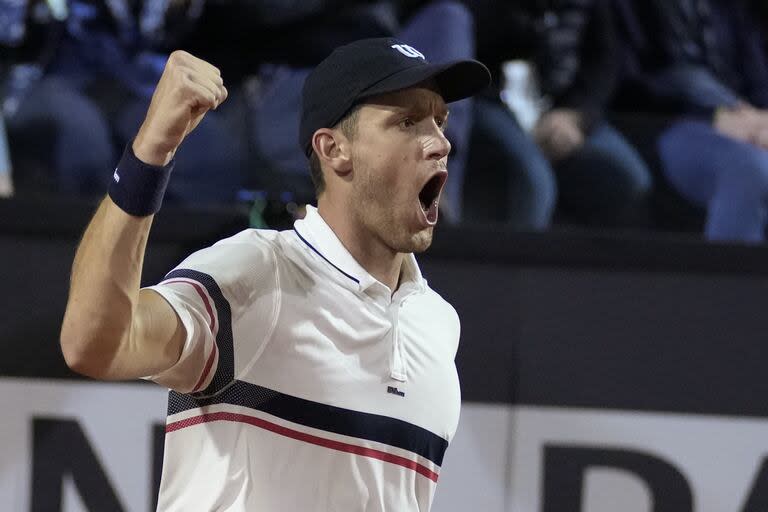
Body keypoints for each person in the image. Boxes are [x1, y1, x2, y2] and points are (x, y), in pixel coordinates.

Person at [59, 38, 490, 510]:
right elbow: (95, 344)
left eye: (440, 121)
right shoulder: (257, 271)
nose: (441, 142)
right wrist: (150, 153)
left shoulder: (437, 323)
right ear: (334, 150)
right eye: (407, 122)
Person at [464, 0, 652, 228]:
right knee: (535, 181)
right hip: (492, 101)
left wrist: (577, 116)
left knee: (630, 178)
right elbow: (469, 45)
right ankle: (522, 261)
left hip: (564, 108)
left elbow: (604, 59)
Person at [613, 0, 768, 242]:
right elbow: (640, 79)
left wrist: (761, 119)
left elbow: (756, 69)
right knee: (750, 169)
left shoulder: (732, 8)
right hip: (664, 122)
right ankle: (728, 278)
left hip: (746, 120)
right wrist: (722, 110)